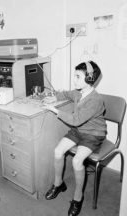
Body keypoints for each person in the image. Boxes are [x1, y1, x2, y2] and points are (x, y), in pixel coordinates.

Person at [42, 61, 106, 216]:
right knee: (58, 151)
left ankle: (78, 198)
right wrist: (54, 97)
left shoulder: (95, 100)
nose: (74, 80)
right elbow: (66, 94)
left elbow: (76, 120)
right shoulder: (78, 92)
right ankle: (58, 184)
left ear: (90, 79)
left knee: (77, 161)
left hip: (93, 134)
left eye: (78, 76)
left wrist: (54, 109)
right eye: (74, 76)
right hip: (78, 131)